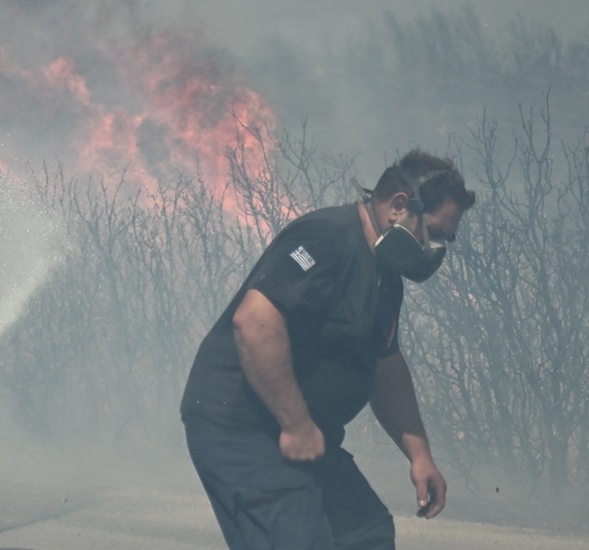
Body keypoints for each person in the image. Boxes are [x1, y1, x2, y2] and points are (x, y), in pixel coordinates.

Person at [180, 149, 476, 549]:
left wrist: (419, 456)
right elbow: (255, 323)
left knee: (366, 535)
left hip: (304, 433)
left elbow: (386, 367)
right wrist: (295, 425)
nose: (434, 248)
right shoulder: (327, 239)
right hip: (243, 431)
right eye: (435, 233)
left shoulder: (386, 278)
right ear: (400, 206)